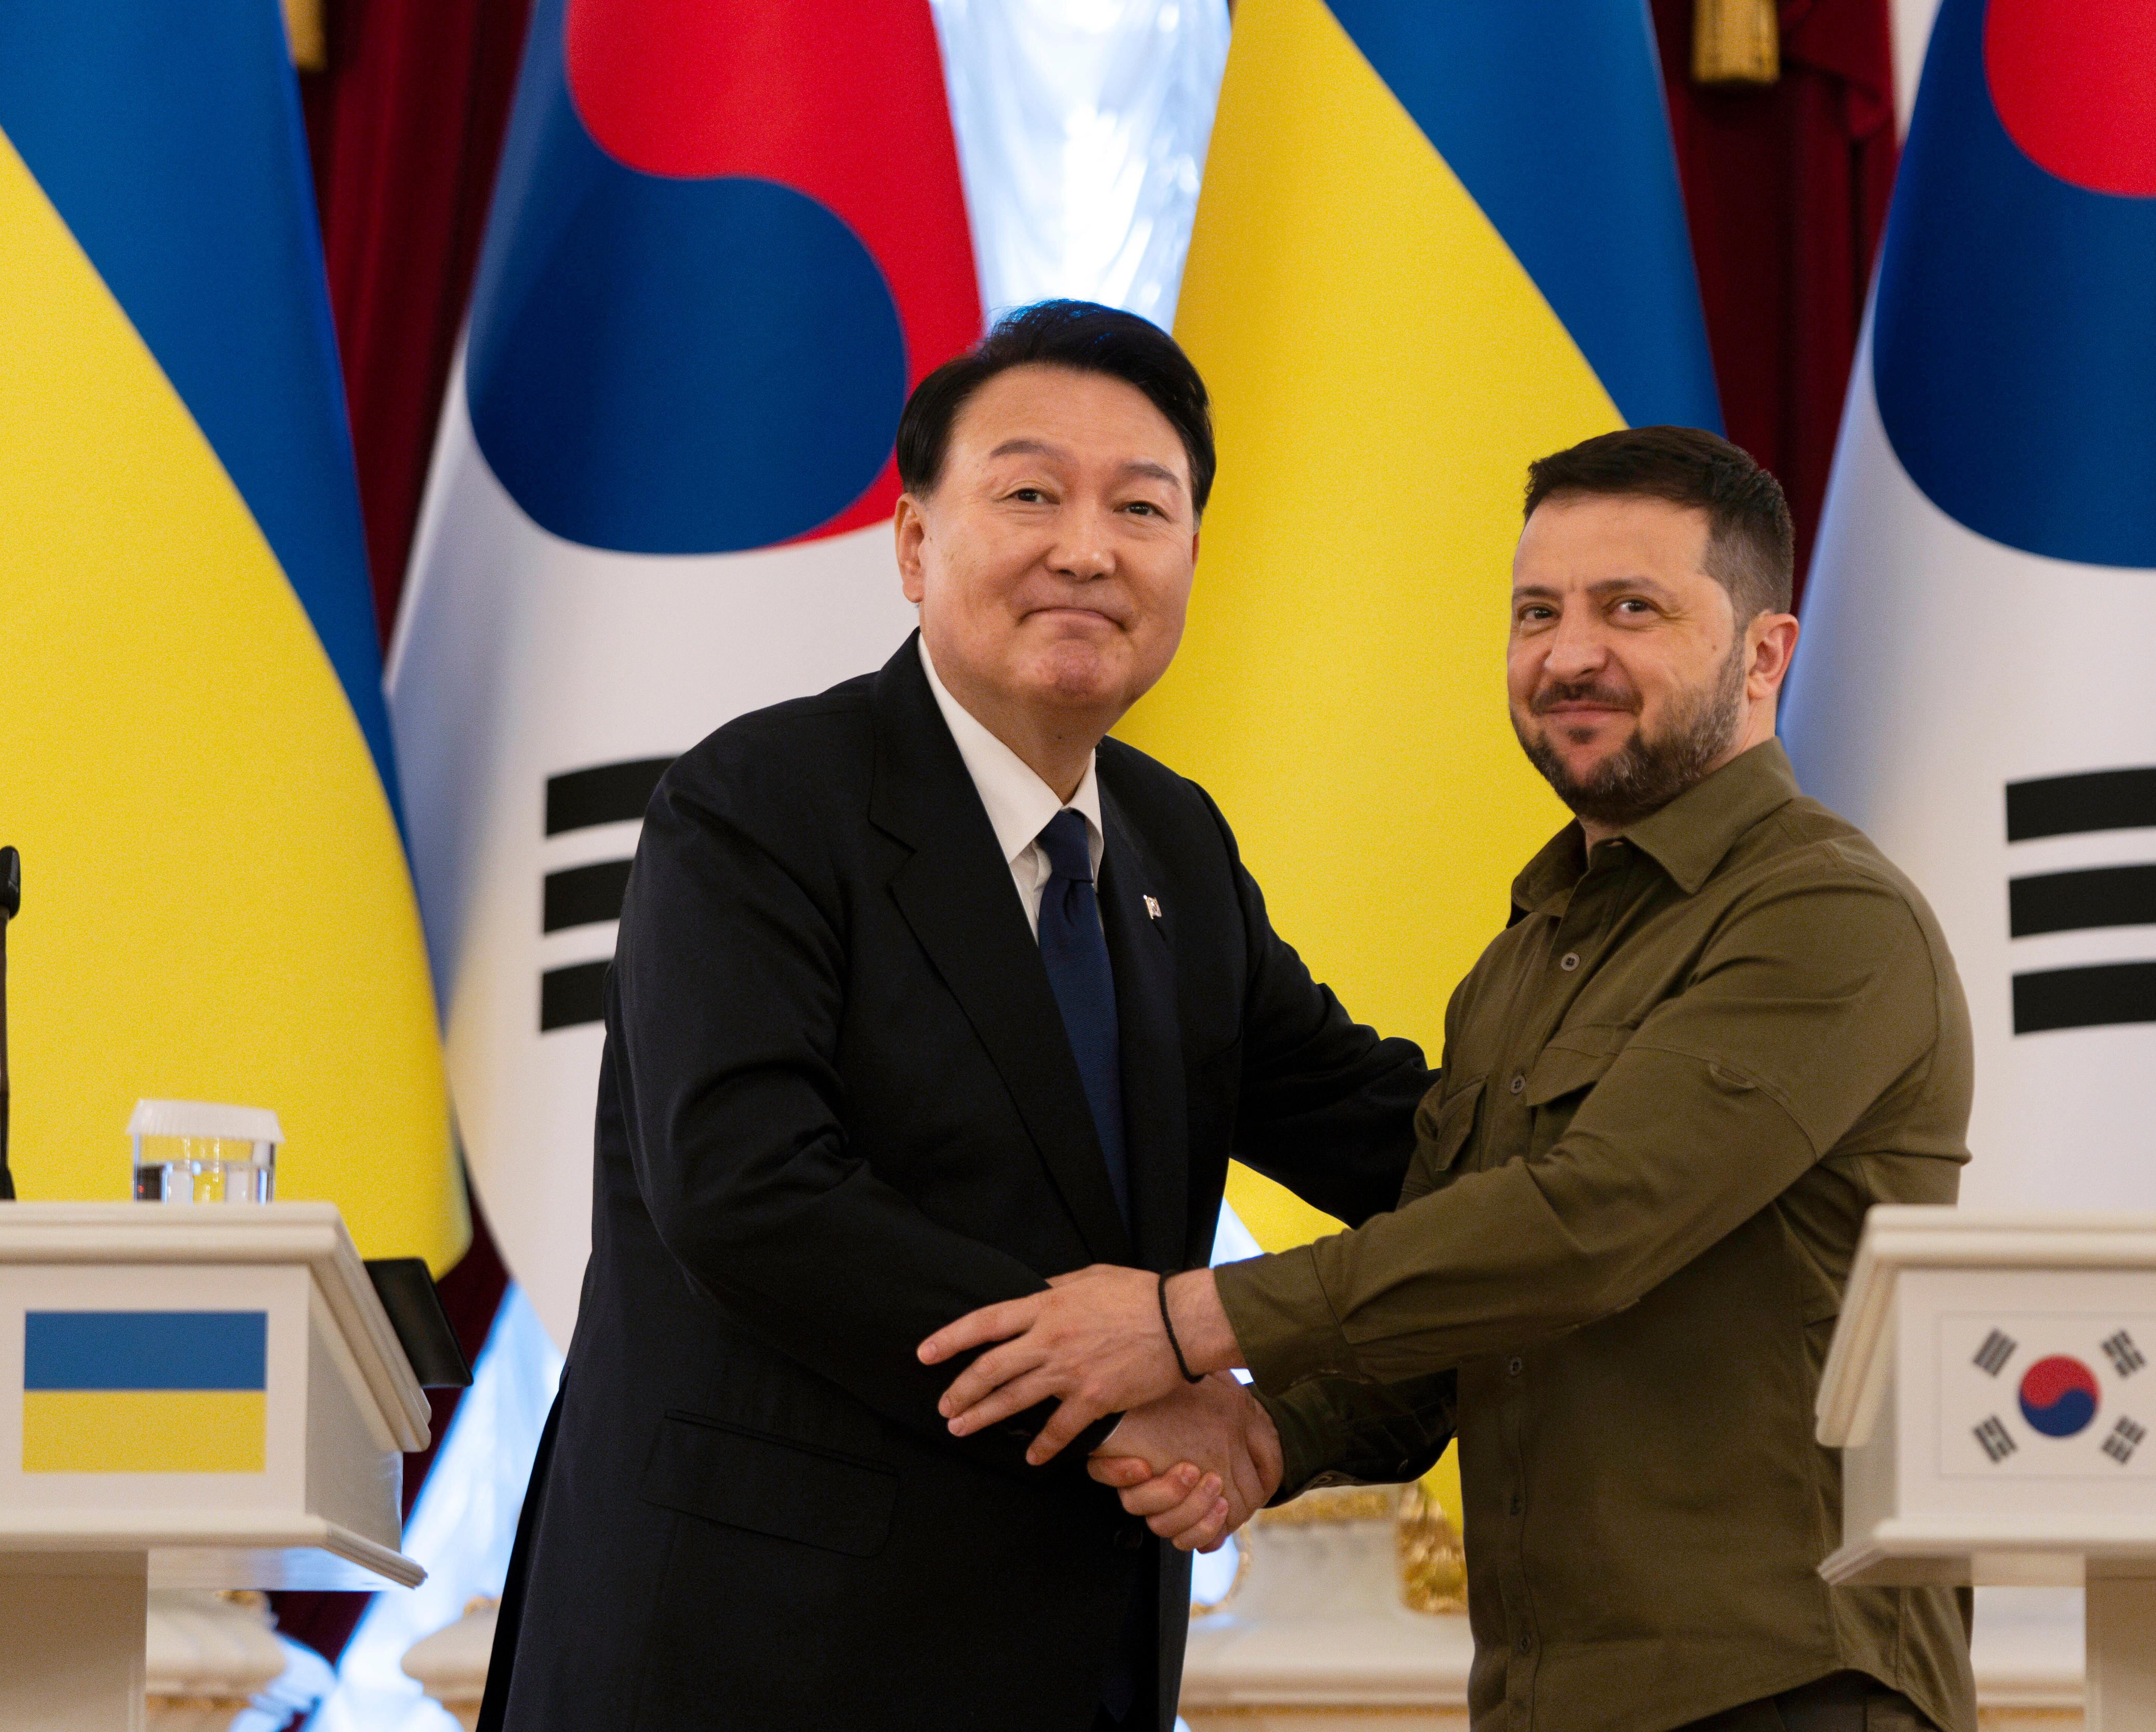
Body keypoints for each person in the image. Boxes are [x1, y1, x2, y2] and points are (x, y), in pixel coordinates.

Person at [923, 426, 1977, 1732]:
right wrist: (1272, 1436)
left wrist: (1187, 1319)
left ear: (1765, 653)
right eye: (1538, 611)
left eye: (1630, 608)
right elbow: (1465, 1304)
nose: (1568, 652)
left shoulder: (1825, 915)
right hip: (1550, 1698)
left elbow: (1587, 1226)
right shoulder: (1522, 962)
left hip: (1790, 1686)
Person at [479, 300, 1430, 1732]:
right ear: (916, 543)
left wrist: (1641, 1155)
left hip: (1062, 1659)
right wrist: (1131, 1383)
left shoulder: (1177, 849)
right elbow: (749, 1189)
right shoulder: (761, 802)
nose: (1088, 548)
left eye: (1142, 506)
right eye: (1032, 492)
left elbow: (1395, 1138)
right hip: (748, 1656)